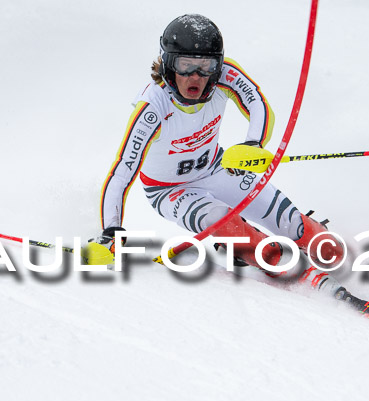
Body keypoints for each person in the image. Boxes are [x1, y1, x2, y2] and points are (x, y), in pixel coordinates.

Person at [85, 13, 346, 298]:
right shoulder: (152, 108)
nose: (195, 77)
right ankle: (287, 268)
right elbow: (122, 172)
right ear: (169, 64)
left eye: (205, 66)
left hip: (217, 170)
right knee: (220, 219)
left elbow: (257, 103)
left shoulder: (224, 76)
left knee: (307, 234)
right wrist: (111, 232)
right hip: (169, 191)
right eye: (185, 66)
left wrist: (253, 145)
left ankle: (349, 265)